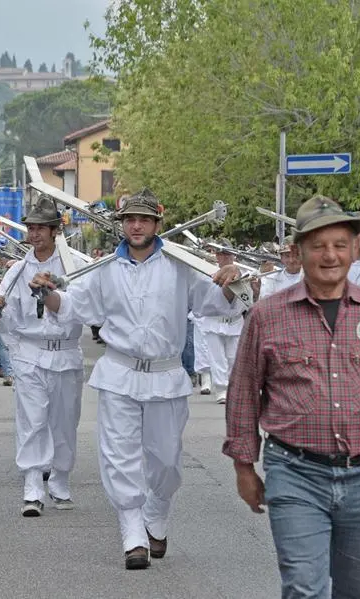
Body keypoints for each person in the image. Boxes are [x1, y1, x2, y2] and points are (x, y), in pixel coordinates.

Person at [29, 189, 241, 570]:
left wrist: (231, 279)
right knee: (119, 456)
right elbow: (74, 307)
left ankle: (156, 515)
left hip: (167, 375)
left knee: (167, 461)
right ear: (122, 225)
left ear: (158, 224)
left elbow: (218, 301)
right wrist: (49, 294)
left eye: (144, 219)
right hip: (119, 373)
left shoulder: (181, 266)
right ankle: (132, 534)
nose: (136, 225)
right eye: (130, 219)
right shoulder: (104, 268)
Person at [223, 195, 360, 599]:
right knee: (304, 587)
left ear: (355, 249)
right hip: (295, 472)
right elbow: (243, 391)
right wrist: (244, 466)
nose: (330, 256)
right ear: (299, 251)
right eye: (318, 246)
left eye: (340, 245)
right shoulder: (267, 315)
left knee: (358, 590)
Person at [0, 194, 86, 516]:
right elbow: (5, 313)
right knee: (31, 421)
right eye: (31, 228)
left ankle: (59, 478)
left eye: (42, 228)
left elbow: (87, 309)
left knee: (64, 422)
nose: (35, 235)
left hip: (67, 352)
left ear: (55, 230)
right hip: (30, 353)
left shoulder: (75, 264)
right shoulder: (16, 269)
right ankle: (32, 485)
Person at [195, 241, 244, 404]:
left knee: (233, 357)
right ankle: (222, 389)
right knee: (217, 358)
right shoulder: (205, 273)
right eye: (221, 254)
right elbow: (202, 300)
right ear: (216, 256)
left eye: (227, 254)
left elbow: (249, 298)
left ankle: (233, 388)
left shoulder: (243, 272)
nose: (224, 257)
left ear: (233, 255)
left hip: (235, 321)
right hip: (214, 321)